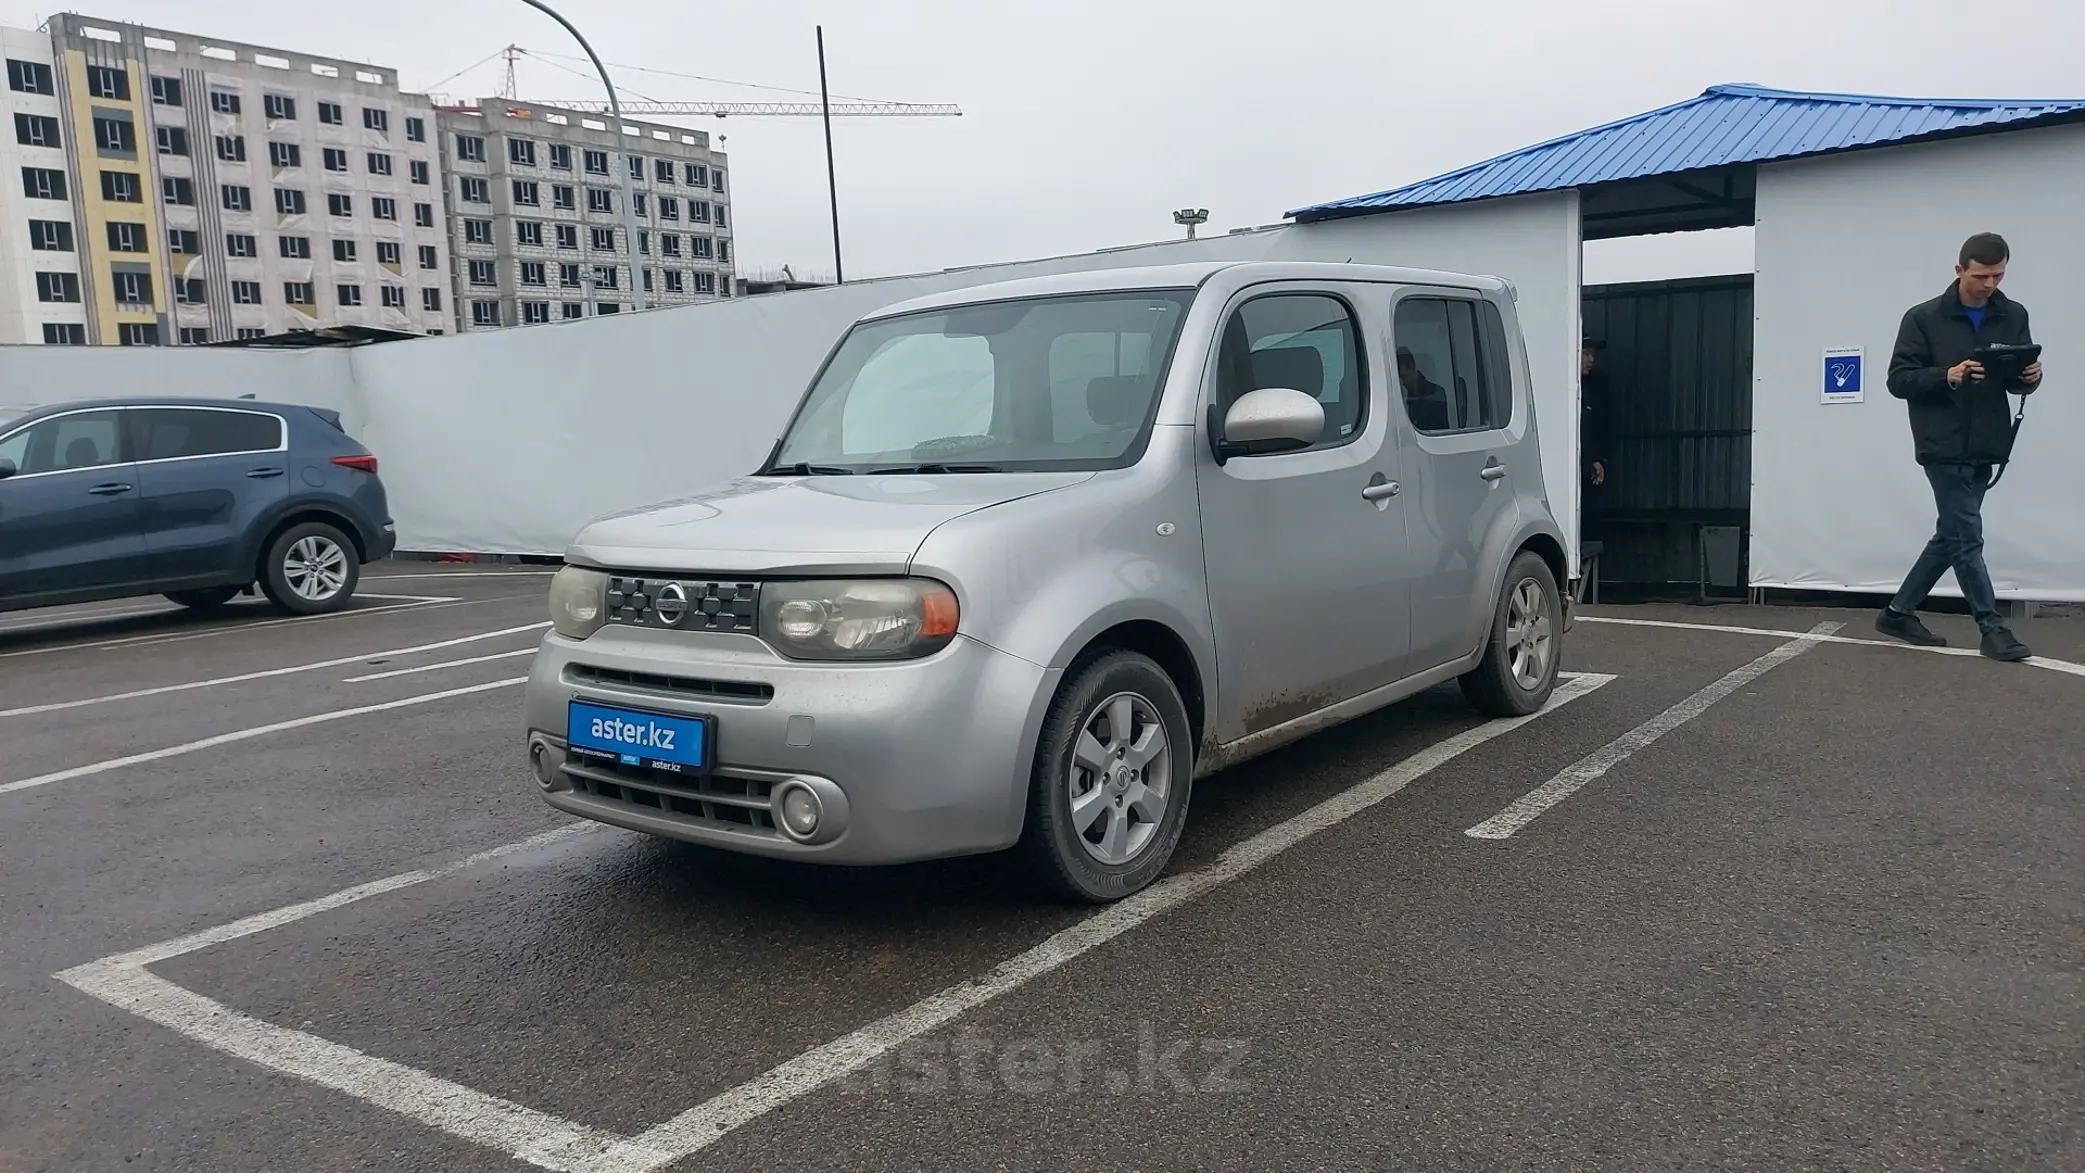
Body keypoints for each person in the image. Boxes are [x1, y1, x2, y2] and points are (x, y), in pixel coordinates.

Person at [1876, 231, 2043, 661]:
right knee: (1968, 536)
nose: (1990, 285)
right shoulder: (1922, 318)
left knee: (1950, 535)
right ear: (1959, 270)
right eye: (1982, 275)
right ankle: (1992, 628)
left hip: (1987, 442)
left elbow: (2011, 375)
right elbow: (1898, 380)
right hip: (1941, 442)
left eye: (1999, 275)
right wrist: (1947, 376)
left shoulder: (2013, 314)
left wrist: (2029, 379)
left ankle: (1897, 612)